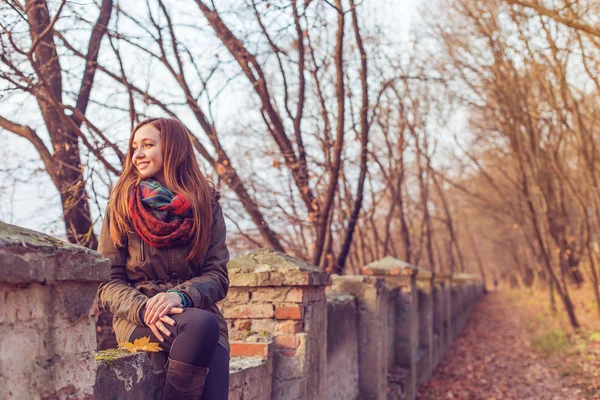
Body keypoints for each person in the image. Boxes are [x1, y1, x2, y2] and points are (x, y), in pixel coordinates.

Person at [97, 118, 230, 400]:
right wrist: (144, 308)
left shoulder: (206, 206)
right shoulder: (121, 203)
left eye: (148, 145)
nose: (138, 155)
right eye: (134, 148)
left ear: (173, 149)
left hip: (197, 315)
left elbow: (217, 276)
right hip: (140, 318)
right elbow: (107, 281)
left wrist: (179, 297)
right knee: (201, 325)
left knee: (207, 332)